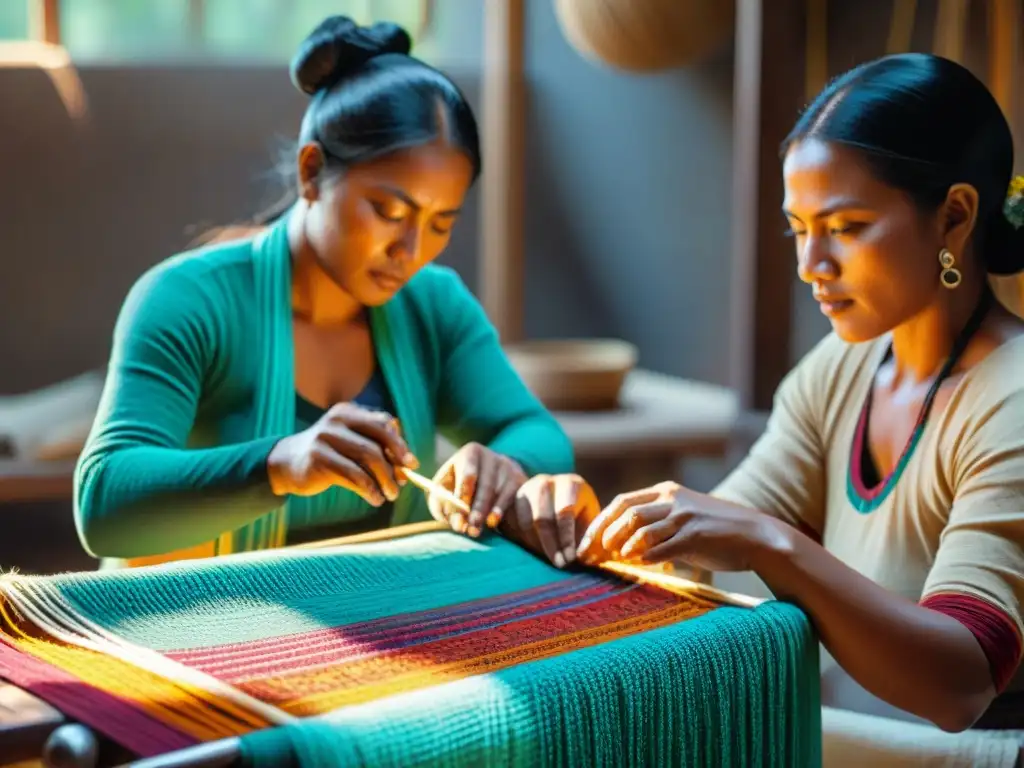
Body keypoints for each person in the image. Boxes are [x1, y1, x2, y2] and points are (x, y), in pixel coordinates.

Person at [540, 54, 1024, 766]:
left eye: (846, 226)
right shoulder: (841, 369)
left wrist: (771, 544)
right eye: (798, 227)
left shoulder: (1010, 394)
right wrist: (585, 526)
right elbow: (705, 545)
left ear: (954, 217)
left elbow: (960, 683)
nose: (810, 264)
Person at [73, 16, 578, 569]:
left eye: (440, 223)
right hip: (187, 629)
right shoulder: (188, 301)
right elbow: (103, 505)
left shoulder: (433, 305)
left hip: (376, 625)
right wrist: (281, 463)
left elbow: (535, 431)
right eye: (388, 211)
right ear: (312, 172)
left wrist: (507, 463)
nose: (411, 249)